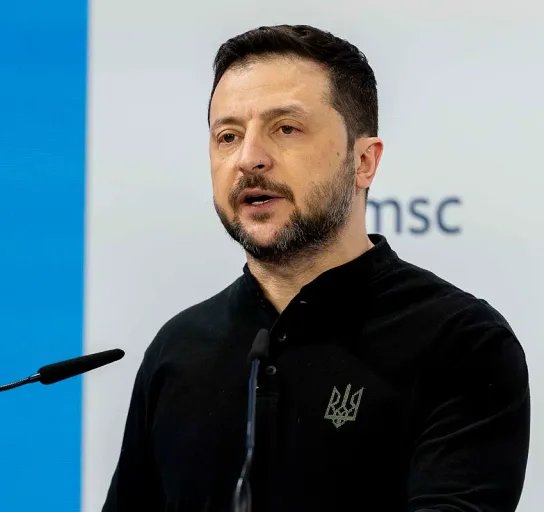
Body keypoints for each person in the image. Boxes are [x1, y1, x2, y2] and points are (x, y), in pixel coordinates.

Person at [102, 24, 530, 512]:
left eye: (286, 128)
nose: (249, 159)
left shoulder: (461, 342)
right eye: (228, 136)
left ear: (364, 162)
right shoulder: (178, 350)